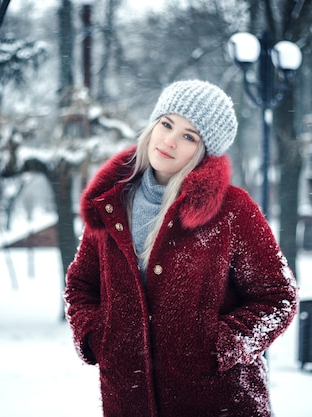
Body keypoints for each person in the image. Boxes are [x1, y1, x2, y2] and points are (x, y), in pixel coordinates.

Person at [64, 79, 298, 417]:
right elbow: (80, 286)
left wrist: (225, 343)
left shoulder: (232, 210)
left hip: (218, 402)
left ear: (204, 152)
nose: (170, 141)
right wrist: (96, 334)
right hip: (127, 400)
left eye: (189, 136)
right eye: (167, 124)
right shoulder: (111, 205)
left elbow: (279, 296)